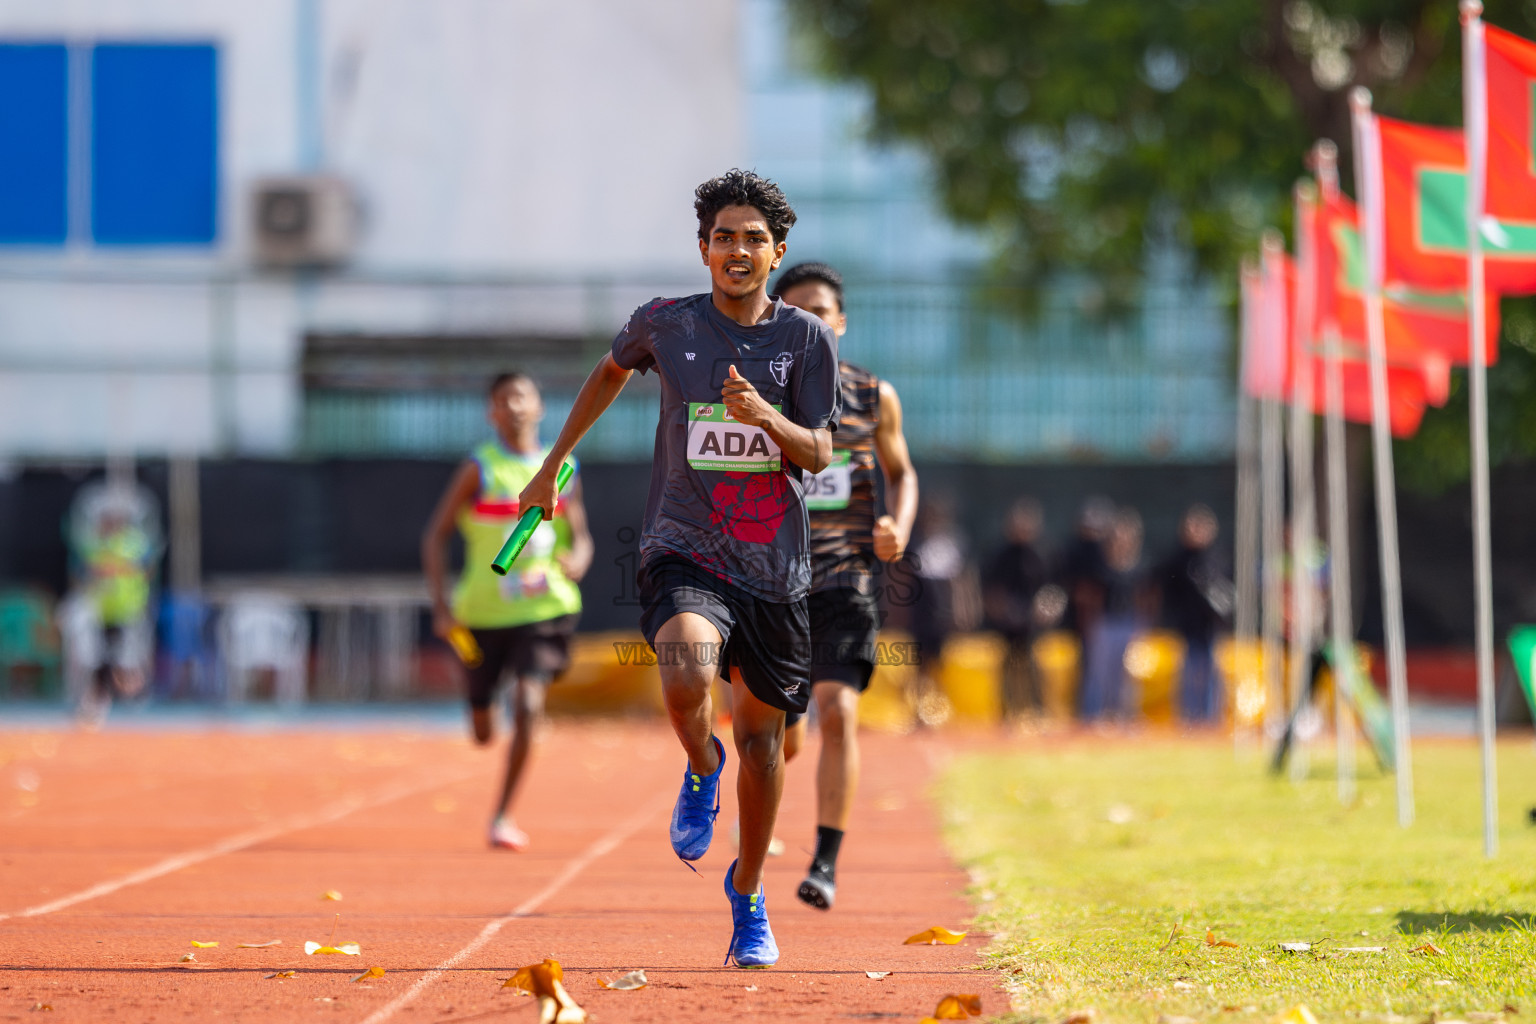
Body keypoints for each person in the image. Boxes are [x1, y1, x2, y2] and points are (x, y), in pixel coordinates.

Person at [515, 170, 840, 968]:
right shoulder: (665, 324)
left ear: (778, 252)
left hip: (774, 565)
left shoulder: (805, 340)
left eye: (753, 239)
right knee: (688, 671)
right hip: (684, 544)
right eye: (723, 237)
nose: (738, 250)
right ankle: (701, 765)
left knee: (766, 746)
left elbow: (820, 451)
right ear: (703, 249)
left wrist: (765, 416)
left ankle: (751, 895)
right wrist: (553, 466)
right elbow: (608, 374)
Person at [773, 261, 919, 912]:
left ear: (841, 321)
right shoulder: (753, 395)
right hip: (770, 582)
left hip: (847, 577)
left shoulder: (872, 395)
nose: (812, 324)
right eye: (796, 313)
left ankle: (825, 861)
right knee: (782, 728)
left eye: (821, 312)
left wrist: (898, 525)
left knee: (839, 711)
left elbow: (903, 472)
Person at [422, 372, 594, 851]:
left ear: (540, 407)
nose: (514, 406)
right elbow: (434, 536)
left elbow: (580, 535)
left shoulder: (563, 469)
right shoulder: (481, 469)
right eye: (503, 400)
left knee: (528, 703)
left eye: (522, 397)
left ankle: (502, 815)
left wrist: (578, 558)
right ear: (491, 412)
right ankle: (482, 708)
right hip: (481, 613)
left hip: (544, 607)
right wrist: (441, 605)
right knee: (482, 732)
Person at [1151, 504, 1232, 722]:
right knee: (1188, 676)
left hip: (1211, 628)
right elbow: (1165, 591)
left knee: (1211, 676)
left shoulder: (1218, 558)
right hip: (1186, 628)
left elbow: (1228, 594)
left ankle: (1209, 719)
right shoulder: (1178, 560)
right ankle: (1189, 720)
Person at [982, 498, 1050, 717]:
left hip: (1031, 620)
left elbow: (1050, 589)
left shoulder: (1040, 555)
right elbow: (991, 589)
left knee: (1033, 665)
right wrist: (1001, 611)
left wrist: (1043, 609)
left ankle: (1037, 710)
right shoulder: (1001, 555)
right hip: (1007, 621)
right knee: (1008, 666)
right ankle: (1007, 711)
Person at [1078, 507, 1148, 720]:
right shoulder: (1099, 566)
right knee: (1100, 674)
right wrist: (1090, 623)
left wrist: (1143, 625)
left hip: (1129, 622)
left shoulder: (1140, 566)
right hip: (1105, 623)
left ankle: (1125, 717)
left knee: (1128, 675)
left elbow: (1146, 598)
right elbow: (1088, 597)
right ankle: (1095, 717)